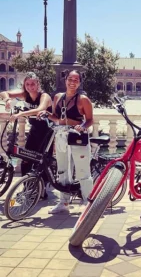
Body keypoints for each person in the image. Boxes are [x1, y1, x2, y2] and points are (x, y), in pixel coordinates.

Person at [39, 70, 94, 214]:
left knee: (83, 171)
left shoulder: (83, 99)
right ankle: (63, 202)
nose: (72, 82)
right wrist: (46, 114)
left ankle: (88, 203)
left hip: (77, 136)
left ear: (79, 82)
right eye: (70, 79)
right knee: (62, 170)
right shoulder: (57, 97)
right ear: (65, 80)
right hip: (61, 135)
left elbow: (89, 120)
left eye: (76, 80)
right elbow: (56, 117)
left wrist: (81, 127)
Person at [0, 72, 53, 198]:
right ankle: (27, 187)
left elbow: (40, 109)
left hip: (46, 132)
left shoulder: (44, 96)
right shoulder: (25, 94)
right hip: (34, 131)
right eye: (27, 84)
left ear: (38, 84)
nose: (30, 87)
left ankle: (42, 189)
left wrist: (20, 114)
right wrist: (7, 100)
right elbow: (3, 92)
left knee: (42, 161)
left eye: (33, 84)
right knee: (26, 158)